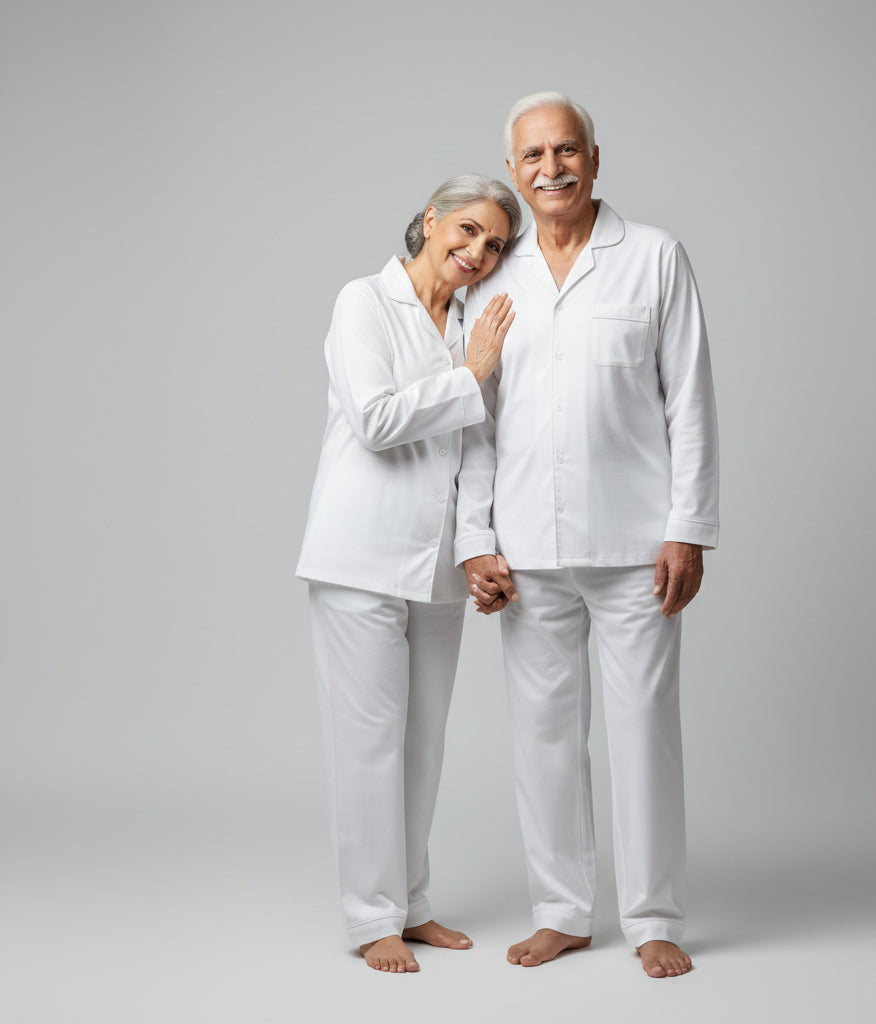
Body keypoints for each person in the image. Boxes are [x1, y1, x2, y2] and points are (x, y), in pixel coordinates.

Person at [456, 93, 719, 979]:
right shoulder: (494, 275)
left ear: (596, 160)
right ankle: (563, 912)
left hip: (638, 546)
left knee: (646, 731)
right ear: (514, 170)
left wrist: (688, 528)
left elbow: (690, 400)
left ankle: (653, 916)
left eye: (566, 151)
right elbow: (474, 420)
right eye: (532, 157)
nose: (551, 169)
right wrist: (473, 539)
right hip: (527, 549)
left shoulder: (653, 258)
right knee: (542, 736)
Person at [296, 174, 521, 974]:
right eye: (466, 231)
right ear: (429, 221)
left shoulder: (471, 320)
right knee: (368, 745)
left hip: (436, 564)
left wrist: (477, 546)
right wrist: (473, 374)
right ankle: (370, 918)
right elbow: (376, 418)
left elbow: (478, 448)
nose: (477, 253)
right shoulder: (363, 300)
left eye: (494, 244)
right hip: (358, 555)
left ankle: (412, 903)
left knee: (422, 744)